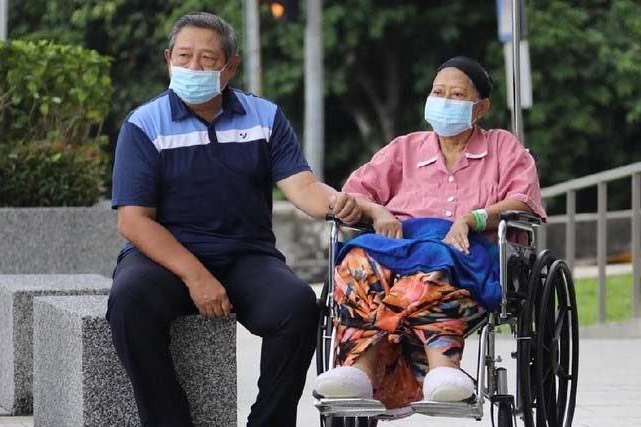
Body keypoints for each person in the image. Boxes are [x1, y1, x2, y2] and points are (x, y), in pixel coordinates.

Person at [107, 12, 362, 427]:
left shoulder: (264, 117)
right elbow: (134, 222)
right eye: (184, 56)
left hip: (247, 255)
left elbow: (301, 186)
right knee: (128, 302)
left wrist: (338, 203)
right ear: (168, 58)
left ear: (231, 66)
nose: (194, 67)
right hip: (165, 258)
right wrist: (196, 277)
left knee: (297, 306)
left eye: (208, 58)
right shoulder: (143, 124)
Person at [314, 56, 547, 415]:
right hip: (398, 248)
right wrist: (378, 211)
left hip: (467, 254)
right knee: (357, 259)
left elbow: (524, 200)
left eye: (457, 95)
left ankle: (443, 369)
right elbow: (354, 193)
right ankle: (357, 372)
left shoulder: (503, 147)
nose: (445, 101)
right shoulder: (404, 149)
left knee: (436, 261)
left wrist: (473, 218)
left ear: (480, 107)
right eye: (439, 92)